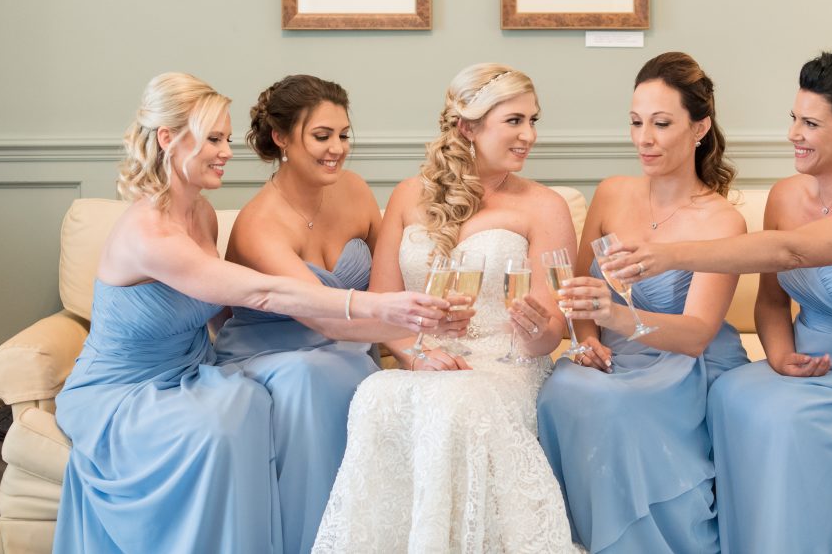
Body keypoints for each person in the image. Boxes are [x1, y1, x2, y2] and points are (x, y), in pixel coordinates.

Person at [52, 72, 458, 553]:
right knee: (230, 417)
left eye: (227, 138)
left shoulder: (201, 213)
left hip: (191, 372)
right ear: (168, 139)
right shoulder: (149, 235)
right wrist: (384, 309)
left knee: (245, 402)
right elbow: (262, 294)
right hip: (125, 389)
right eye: (214, 139)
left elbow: (220, 312)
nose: (227, 151)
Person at [604, 49, 832, 553]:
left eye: (810, 123)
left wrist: (666, 254)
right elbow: (771, 301)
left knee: (787, 419)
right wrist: (779, 354)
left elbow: (790, 252)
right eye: (793, 118)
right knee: (730, 394)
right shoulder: (786, 195)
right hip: (814, 360)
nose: (793, 133)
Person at [313, 63, 580, 553]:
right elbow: (380, 311)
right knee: (376, 394)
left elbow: (551, 334)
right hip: (427, 361)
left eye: (533, 120)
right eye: (515, 121)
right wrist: (417, 355)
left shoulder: (545, 207)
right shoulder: (407, 197)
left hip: (507, 363)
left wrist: (535, 325)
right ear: (466, 127)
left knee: (460, 402)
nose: (530, 136)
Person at [212, 75, 469, 554]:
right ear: (282, 138)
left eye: (344, 134)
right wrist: (415, 333)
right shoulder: (258, 224)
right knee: (315, 374)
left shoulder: (353, 190)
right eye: (322, 136)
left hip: (346, 344)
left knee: (353, 368)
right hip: (272, 354)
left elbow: (386, 287)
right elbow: (325, 317)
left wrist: (416, 347)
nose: (337, 148)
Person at [535, 51, 749, 553]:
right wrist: (587, 341)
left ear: (699, 128)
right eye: (635, 122)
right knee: (562, 391)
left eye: (660, 123)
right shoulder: (612, 194)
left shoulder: (722, 221)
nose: (643, 139)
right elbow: (580, 293)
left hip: (682, 363)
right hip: (613, 357)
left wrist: (612, 316)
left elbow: (696, 333)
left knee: (618, 407)